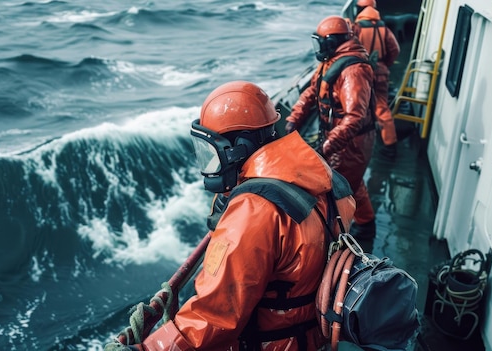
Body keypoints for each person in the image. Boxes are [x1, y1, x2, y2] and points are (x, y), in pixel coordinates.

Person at [105, 81, 356, 350]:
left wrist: (144, 349)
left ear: (239, 147)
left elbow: (214, 316)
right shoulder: (326, 179)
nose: (208, 165)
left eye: (210, 153)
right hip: (312, 337)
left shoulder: (254, 210)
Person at [285, 15, 377, 239]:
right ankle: (366, 223)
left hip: (353, 142)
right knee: (351, 182)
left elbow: (354, 116)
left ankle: (340, 234)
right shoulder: (331, 62)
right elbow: (312, 92)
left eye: (320, 43)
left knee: (339, 187)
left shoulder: (353, 71)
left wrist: (327, 146)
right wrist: (293, 118)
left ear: (331, 42)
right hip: (338, 136)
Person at [353, 0, 401, 159]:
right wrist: (383, 65)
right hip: (381, 71)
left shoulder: (356, 27)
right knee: (381, 106)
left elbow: (351, 50)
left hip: (362, 72)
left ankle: (358, 142)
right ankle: (390, 145)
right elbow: (394, 49)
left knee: (357, 106)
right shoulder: (383, 28)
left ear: (359, 9)